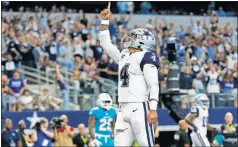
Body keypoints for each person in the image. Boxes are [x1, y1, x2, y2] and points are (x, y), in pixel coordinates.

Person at [100, 2, 159, 146]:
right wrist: (105, 21)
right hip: (122, 108)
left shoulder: (146, 56)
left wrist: (152, 109)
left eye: (133, 37)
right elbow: (105, 44)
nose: (128, 39)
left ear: (141, 41)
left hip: (140, 107)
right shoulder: (124, 55)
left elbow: (153, 84)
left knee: (147, 144)